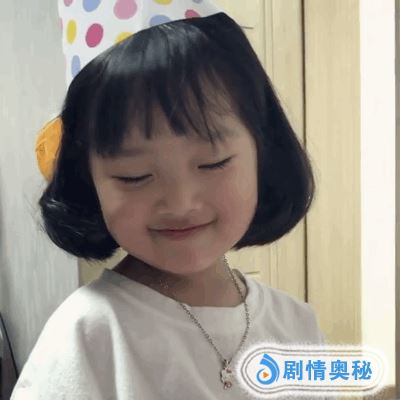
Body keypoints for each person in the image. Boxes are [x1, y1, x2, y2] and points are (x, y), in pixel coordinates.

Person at [12, 0, 328, 398]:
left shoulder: (297, 324)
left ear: (263, 151)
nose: (180, 203)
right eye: (134, 176)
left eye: (213, 163)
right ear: (88, 180)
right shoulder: (87, 334)